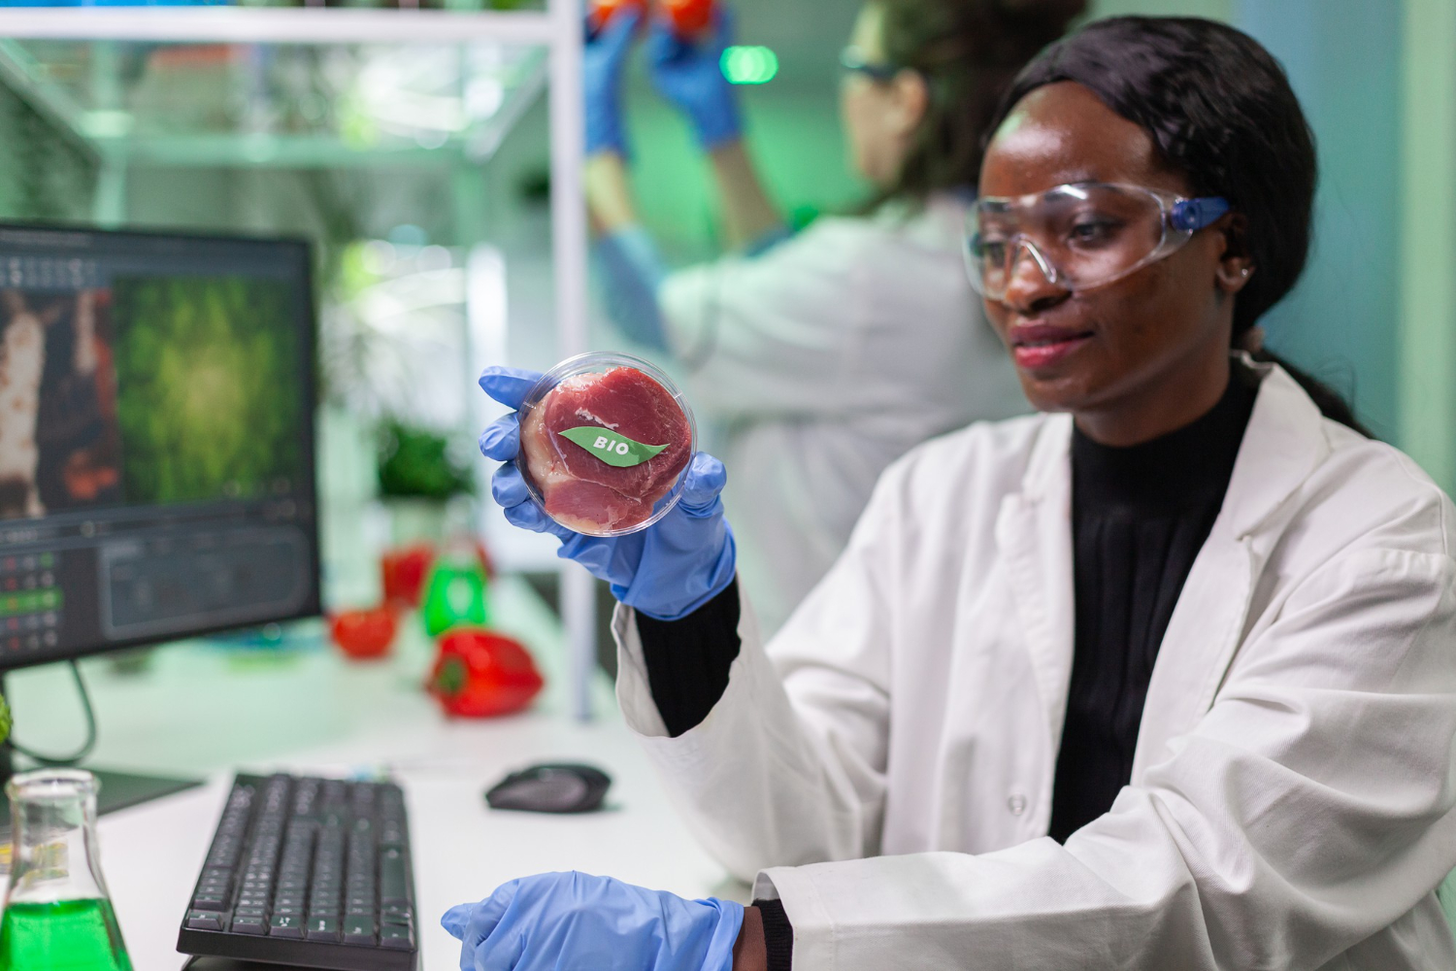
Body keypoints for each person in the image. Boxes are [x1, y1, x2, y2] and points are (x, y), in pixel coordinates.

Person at [455, 16, 1456, 971]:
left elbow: (1202, 888)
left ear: (1230, 246)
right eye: (995, 239)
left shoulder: (1382, 544)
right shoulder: (941, 492)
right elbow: (800, 826)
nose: (1022, 284)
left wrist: (746, 948)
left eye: (1086, 227)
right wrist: (685, 617)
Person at [585, 0, 1082, 634]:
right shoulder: (977, 250)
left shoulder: (871, 274)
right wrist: (718, 132)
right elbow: (782, 289)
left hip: (816, 656)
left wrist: (590, 138)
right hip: (917, 642)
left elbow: (646, 308)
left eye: (854, 65)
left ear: (903, 99)